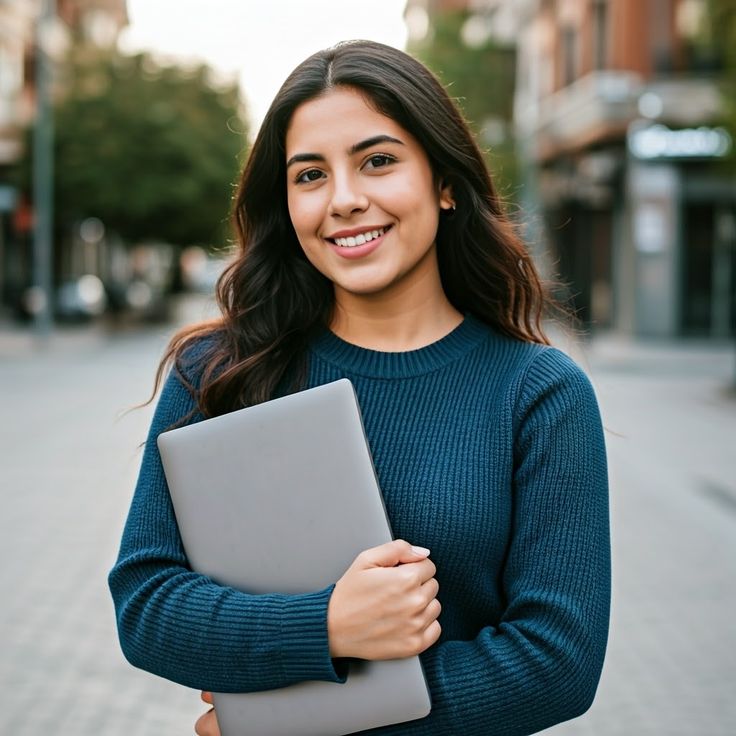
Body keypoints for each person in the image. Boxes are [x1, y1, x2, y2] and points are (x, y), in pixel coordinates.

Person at [108, 39, 610, 736]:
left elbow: (556, 663)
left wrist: (292, 724)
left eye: (377, 161)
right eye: (310, 175)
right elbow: (147, 604)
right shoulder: (219, 370)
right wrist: (328, 624)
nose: (343, 200)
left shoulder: (539, 394)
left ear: (443, 180)